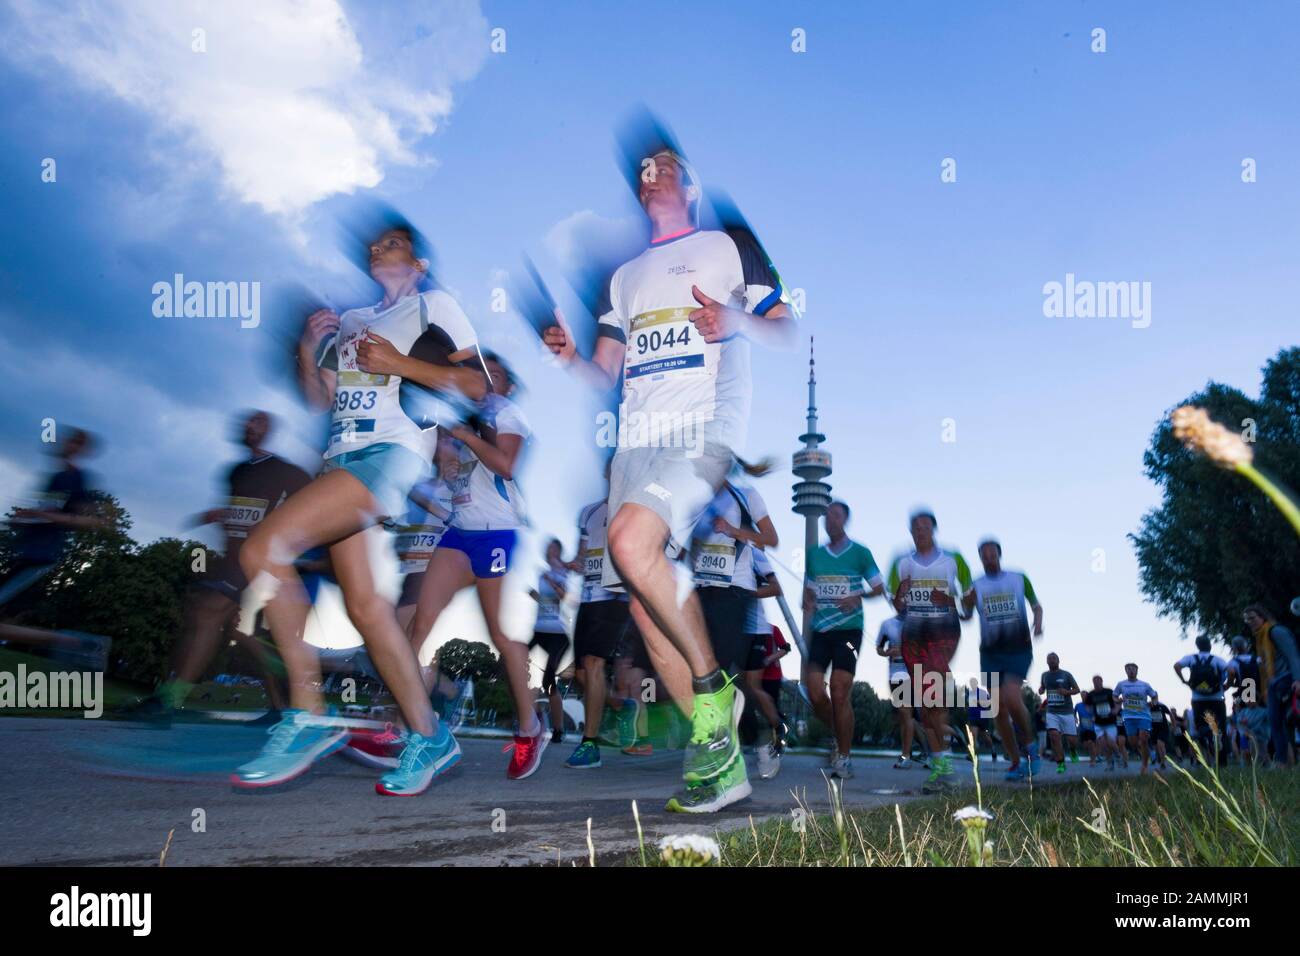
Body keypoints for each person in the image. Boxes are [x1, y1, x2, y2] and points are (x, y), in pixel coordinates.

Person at [542, 143, 796, 812]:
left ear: (689, 182)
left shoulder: (725, 245)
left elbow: (782, 323)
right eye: (645, 168)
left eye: (667, 163)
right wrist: (570, 355)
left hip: (701, 434)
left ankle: (713, 686)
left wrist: (732, 317)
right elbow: (605, 370)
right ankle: (721, 761)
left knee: (627, 541)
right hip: (634, 446)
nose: (654, 172)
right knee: (640, 601)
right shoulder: (623, 278)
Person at [235, 217, 486, 795]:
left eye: (393, 244)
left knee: (264, 550)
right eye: (374, 246)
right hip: (339, 458)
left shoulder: (434, 306)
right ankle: (430, 736)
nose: (379, 250)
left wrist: (401, 365)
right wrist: (306, 350)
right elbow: (319, 395)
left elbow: (477, 388)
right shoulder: (351, 321)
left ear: (418, 262)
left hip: (391, 453)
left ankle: (306, 713)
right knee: (369, 609)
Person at [407, 352, 551, 780]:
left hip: (497, 533)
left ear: (507, 387)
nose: (485, 379)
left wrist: (465, 437)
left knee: (500, 634)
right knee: (419, 624)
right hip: (458, 532)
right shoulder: (459, 418)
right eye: (479, 372)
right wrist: (446, 452)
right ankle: (409, 726)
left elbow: (506, 464)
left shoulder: (509, 414)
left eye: (497, 374)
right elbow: (445, 469)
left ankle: (529, 727)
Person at [125, 411, 310, 725]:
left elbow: (311, 504)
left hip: (262, 558)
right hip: (231, 560)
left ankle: (168, 701)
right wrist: (222, 516)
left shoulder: (285, 471)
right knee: (239, 631)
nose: (249, 426)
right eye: (246, 421)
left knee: (208, 612)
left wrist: (285, 540)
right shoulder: (235, 471)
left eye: (258, 421)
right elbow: (241, 512)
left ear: (268, 430)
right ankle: (282, 706)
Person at [889, 509, 973, 793]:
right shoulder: (901, 563)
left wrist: (949, 599)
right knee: (925, 704)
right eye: (915, 527)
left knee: (933, 694)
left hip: (943, 631)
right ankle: (941, 766)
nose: (920, 531)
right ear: (910, 532)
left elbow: (970, 603)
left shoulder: (953, 560)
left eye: (925, 526)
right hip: (913, 634)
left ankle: (947, 767)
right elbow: (898, 606)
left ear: (934, 529)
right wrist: (901, 593)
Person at [802, 500, 884, 779]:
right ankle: (840, 734)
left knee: (839, 689)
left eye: (835, 516)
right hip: (820, 630)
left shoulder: (860, 553)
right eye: (826, 516)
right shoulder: (814, 555)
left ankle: (844, 757)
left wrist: (856, 596)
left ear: (845, 520)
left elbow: (879, 588)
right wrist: (808, 599)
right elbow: (810, 588)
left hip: (849, 630)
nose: (829, 520)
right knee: (814, 691)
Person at [961, 537, 1042, 781]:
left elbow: (1036, 605)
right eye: (983, 554)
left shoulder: (1018, 578)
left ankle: (1031, 747)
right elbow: (966, 615)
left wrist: (1038, 623)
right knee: (997, 709)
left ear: (999, 554)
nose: (988, 557)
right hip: (990, 651)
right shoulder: (975, 585)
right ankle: (1016, 761)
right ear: (980, 559)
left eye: (992, 553)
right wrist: (964, 605)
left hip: (1018, 647)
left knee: (1011, 696)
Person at [741, 546, 786, 779]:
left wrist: (770, 658)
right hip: (730, 629)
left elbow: (786, 648)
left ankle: (777, 727)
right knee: (736, 688)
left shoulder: (772, 629)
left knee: (751, 689)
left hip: (772, 674)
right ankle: (746, 739)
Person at [1244, 604, 1300, 766]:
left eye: (1252, 617)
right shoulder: (1260, 638)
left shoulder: (1276, 631)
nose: (1249, 622)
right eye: (1247, 619)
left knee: (1292, 721)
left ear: (1262, 616)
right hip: (1273, 685)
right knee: (1276, 723)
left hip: (1288, 680)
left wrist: (1298, 679)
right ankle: (1283, 762)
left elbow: (1293, 656)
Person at [528, 538, 572, 747]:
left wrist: (551, 581)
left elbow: (564, 598)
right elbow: (546, 603)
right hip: (539, 631)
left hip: (557, 634)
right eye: (547, 549)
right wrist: (533, 595)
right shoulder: (541, 574)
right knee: (513, 661)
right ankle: (533, 718)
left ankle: (559, 730)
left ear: (559, 552)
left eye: (553, 549)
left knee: (548, 682)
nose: (549, 552)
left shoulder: (563, 572)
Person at [1173, 635, 1230, 765]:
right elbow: (1231, 671)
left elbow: (1176, 666)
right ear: (1210, 645)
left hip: (1198, 699)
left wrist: (1184, 681)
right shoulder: (1217, 660)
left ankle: (1209, 739)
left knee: (1201, 727)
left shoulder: (1191, 658)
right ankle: (1222, 762)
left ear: (1197, 646)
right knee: (1219, 727)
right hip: (1217, 698)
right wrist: (1228, 685)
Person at [877, 612, 922, 768]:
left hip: (911, 673)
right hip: (894, 674)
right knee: (905, 717)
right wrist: (888, 652)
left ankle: (906, 756)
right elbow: (879, 648)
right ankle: (924, 751)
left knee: (906, 714)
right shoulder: (887, 624)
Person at [1226, 635, 1269, 762]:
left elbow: (1232, 674)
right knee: (1262, 723)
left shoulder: (1233, 662)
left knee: (1242, 726)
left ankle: (1246, 753)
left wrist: (1229, 685)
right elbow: (1265, 674)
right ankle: (1265, 754)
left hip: (1243, 696)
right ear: (1246, 646)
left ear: (1234, 648)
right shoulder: (1257, 659)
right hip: (1258, 695)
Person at [1038, 653, 1081, 775]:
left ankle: (1072, 751)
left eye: (1053, 659)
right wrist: (1041, 690)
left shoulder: (1066, 674)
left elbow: (1077, 689)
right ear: (1047, 662)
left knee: (1072, 740)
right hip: (1052, 712)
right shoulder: (1045, 675)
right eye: (1049, 659)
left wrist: (1066, 692)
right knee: (1054, 736)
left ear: (1058, 661)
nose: (1051, 661)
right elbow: (1042, 687)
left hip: (1067, 712)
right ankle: (1060, 763)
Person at [1114, 663, 1159, 774]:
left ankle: (1144, 766)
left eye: (1133, 669)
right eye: (1128, 669)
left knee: (1143, 739)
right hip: (1129, 716)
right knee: (1133, 742)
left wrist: (1153, 702)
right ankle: (1146, 751)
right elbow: (1114, 695)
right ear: (1125, 671)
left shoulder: (1144, 685)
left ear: (1137, 670)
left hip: (1143, 715)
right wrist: (1118, 700)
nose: (1131, 671)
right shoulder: (1121, 684)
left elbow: (1154, 696)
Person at [1085, 676, 1121, 770]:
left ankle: (1118, 755)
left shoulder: (1109, 691)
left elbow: (1118, 702)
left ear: (1102, 681)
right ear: (1093, 683)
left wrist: (1116, 710)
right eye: (1095, 682)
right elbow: (1087, 706)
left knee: (1111, 741)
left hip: (1110, 722)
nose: (1096, 683)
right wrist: (1091, 713)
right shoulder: (1091, 694)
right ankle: (1110, 763)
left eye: (1098, 681)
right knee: (1103, 744)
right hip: (1098, 723)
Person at [1148, 692, 1172, 770]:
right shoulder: (1148, 706)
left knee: (1160, 744)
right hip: (1154, 729)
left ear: (1157, 697)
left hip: (1163, 728)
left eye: (1155, 697)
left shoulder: (1162, 705)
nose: (1153, 698)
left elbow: (1170, 714)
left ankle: (1163, 762)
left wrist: (1174, 725)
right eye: (1152, 697)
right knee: (1156, 747)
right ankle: (1160, 758)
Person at [1075, 698, 1097, 764]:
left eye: (1085, 695)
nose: (1083, 697)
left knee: (1090, 742)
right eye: (1082, 695)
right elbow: (1073, 712)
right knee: (1085, 746)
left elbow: (1097, 712)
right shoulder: (1078, 705)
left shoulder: (1092, 705)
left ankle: (1093, 760)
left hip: (1091, 728)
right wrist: (1075, 718)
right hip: (1082, 728)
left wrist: (1094, 718)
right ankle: (1094, 755)